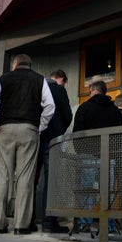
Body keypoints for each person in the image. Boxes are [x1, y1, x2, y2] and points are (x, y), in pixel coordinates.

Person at [0, 54, 55, 235]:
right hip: (29, 129)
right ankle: (20, 225)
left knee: (2, 175)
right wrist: (40, 126)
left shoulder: (4, 78)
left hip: (6, 128)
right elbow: (50, 106)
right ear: (30, 65)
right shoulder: (39, 79)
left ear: (15, 64)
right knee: (25, 177)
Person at [72, 80, 122, 231]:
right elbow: (119, 134)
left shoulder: (85, 107)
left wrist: (80, 151)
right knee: (108, 191)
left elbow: (77, 132)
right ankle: (109, 225)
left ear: (94, 91)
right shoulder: (114, 110)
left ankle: (85, 223)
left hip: (88, 155)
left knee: (87, 190)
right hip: (108, 156)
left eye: (90, 92)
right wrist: (111, 150)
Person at [32, 69, 73, 233]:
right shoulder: (58, 88)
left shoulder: (37, 87)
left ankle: (28, 220)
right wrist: (59, 131)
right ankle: (49, 222)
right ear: (61, 79)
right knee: (51, 180)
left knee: (32, 179)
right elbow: (68, 115)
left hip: (35, 136)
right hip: (52, 139)